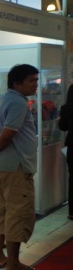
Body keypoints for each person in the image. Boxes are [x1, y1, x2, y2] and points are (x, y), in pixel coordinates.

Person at [0, 63, 43, 270]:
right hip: (16, 166)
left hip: (1, 166)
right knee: (18, 213)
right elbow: (8, 133)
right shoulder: (18, 103)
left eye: (36, 80)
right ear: (16, 83)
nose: (35, 85)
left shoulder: (3, 100)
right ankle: (13, 263)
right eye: (31, 81)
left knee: (1, 211)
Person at [57, 83, 73, 220]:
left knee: (72, 177)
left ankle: (72, 211)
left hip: (72, 145)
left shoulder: (66, 108)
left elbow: (63, 127)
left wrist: (59, 120)